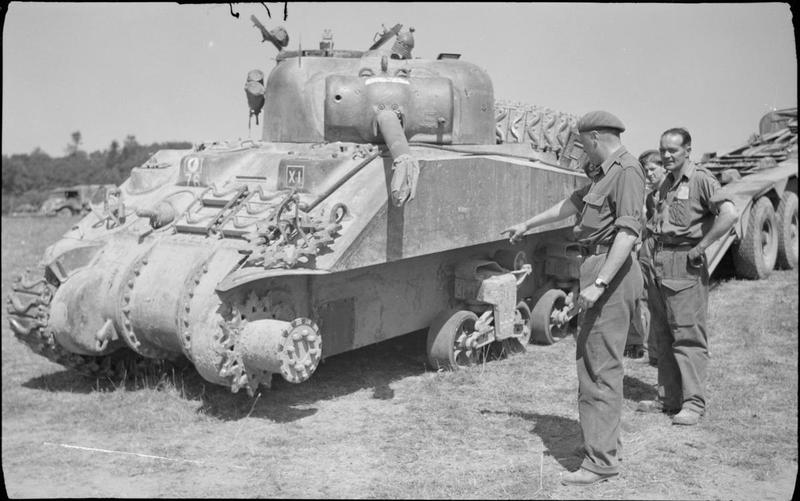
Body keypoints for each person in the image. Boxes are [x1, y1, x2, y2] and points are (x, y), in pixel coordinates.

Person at [502, 110, 645, 486]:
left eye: (583, 143)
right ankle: (602, 448)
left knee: (600, 366)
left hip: (609, 273)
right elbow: (572, 205)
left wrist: (598, 283)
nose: (583, 151)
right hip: (598, 268)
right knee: (593, 362)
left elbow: (628, 234)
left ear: (595, 138)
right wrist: (528, 224)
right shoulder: (607, 173)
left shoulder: (627, 170)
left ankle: (601, 463)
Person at [636, 128, 737, 426]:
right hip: (659, 260)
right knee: (663, 333)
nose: (666, 155)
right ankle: (668, 397)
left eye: (673, 151)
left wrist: (702, 247)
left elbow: (730, 214)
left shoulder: (701, 179)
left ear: (688, 150)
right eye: (663, 150)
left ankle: (693, 403)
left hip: (684, 263)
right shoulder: (666, 182)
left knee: (688, 334)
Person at [625, 149, 666, 363]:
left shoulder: (671, 195)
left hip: (666, 255)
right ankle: (650, 349)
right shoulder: (651, 198)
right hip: (647, 253)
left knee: (664, 304)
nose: (649, 174)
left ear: (663, 167)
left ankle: (662, 351)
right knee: (642, 298)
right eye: (646, 171)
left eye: (652, 169)